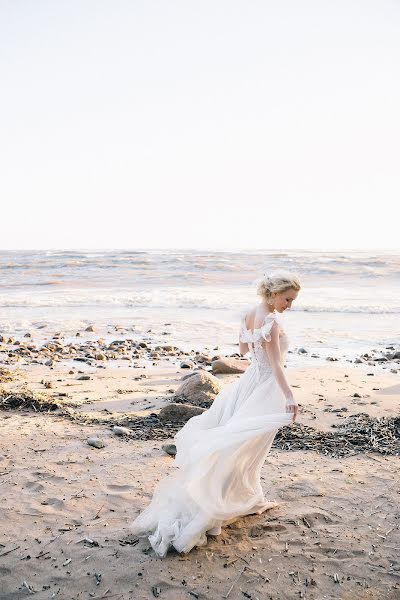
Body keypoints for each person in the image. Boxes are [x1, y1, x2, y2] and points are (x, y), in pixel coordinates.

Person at [130, 270, 301, 557]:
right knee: (246, 446)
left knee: (239, 444)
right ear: (274, 294)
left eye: (293, 300)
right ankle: (223, 501)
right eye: (288, 299)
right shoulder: (271, 322)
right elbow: (276, 366)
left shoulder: (249, 314)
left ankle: (244, 496)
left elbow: (245, 349)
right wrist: (290, 396)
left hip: (248, 384)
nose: (290, 305)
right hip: (265, 387)